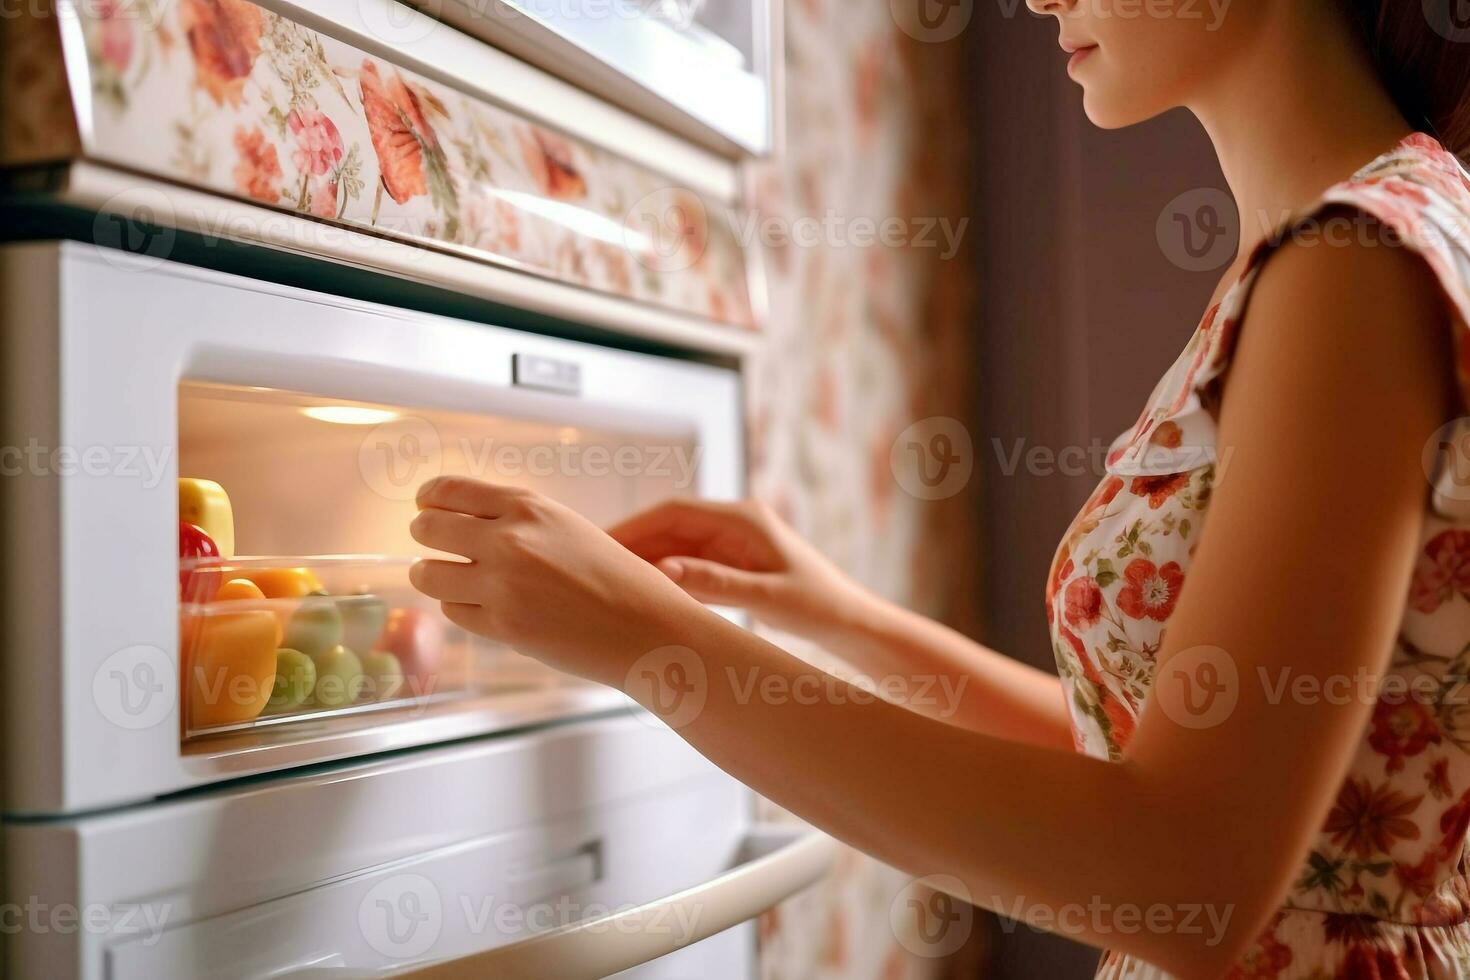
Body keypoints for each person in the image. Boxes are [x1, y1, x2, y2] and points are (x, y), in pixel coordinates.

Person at [407, 2, 1470, 974]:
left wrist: (650, 643)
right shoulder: (1358, 235)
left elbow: (1182, 871)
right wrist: (843, 616)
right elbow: (1160, 759)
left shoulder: (1350, 265)